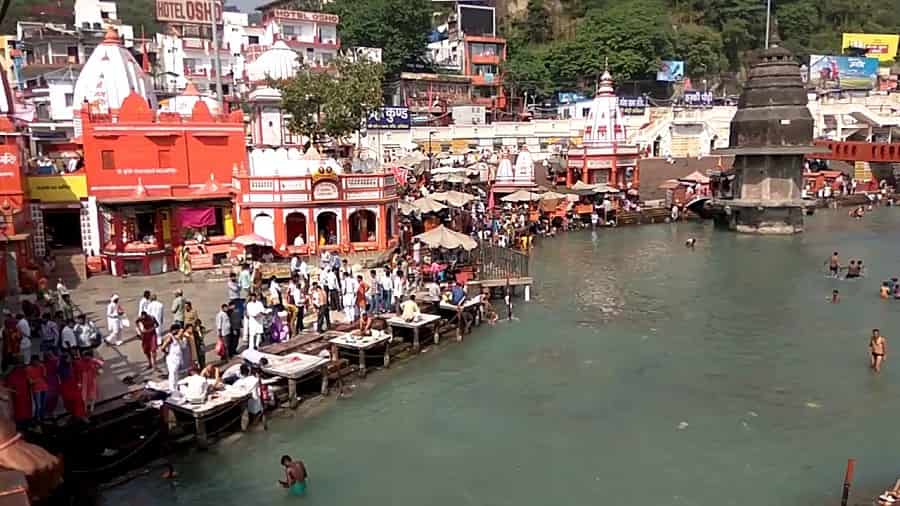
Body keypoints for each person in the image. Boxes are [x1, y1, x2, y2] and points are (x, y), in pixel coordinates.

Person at [75, 350, 103, 414]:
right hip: (84, 379)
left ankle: (91, 408)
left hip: (92, 378)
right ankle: (85, 408)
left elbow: (101, 364)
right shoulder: (79, 362)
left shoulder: (93, 360)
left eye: (87, 356)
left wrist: (98, 370)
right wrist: (79, 382)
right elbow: (78, 373)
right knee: (84, 395)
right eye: (85, 356)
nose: (86, 357)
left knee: (92, 393)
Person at [161, 325, 185, 391]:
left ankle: (175, 386)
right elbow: (162, 347)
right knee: (172, 372)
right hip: (172, 358)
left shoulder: (179, 338)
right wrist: (166, 353)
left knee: (176, 373)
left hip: (178, 357)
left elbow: (183, 346)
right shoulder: (170, 337)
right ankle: (172, 388)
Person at [26, 356, 48, 421]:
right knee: (38, 406)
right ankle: (37, 419)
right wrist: (38, 380)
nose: (37, 362)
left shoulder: (41, 367)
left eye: (38, 361)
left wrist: (43, 368)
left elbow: (45, 376)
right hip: (36, 389)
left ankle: (42, 418)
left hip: (44, 387)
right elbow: (30, 381)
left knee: (43, 405)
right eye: (35, 361)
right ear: (32, 361)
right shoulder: (28, 369)